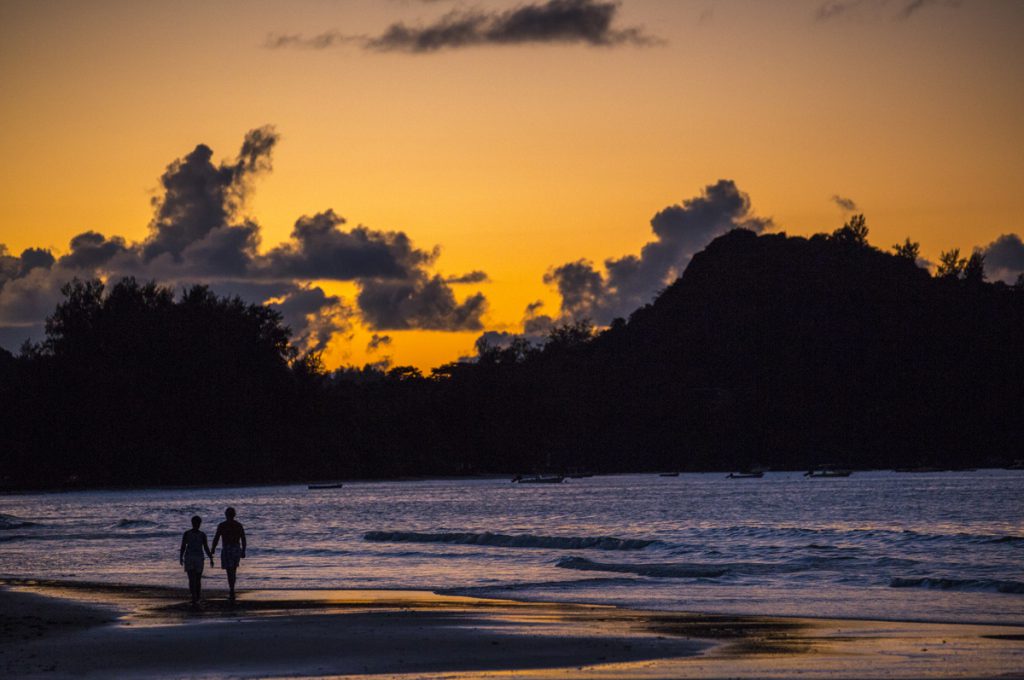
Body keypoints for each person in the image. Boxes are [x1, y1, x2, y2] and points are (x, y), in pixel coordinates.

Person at [211, 506, 246, 600]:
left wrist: (213, 549)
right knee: (233, 570)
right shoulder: (238, 525)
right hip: (235, 548)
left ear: (226, 515)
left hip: (227, 548)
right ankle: (232, 588)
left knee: (229, 571)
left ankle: (231, 588)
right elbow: (243, 539)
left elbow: (216, 538)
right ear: (234, 515)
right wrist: (243, 550)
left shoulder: (222, 525)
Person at [179, 515, 214, 607]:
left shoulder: (188, 533)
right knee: (196, 579)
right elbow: (205, 547)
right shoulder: (201, 535)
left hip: (191, 557)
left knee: (192, 579)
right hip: (196, 558)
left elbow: (183, 546)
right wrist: (210, 558)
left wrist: (181, 557)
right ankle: (196, 597)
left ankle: (195, 597)